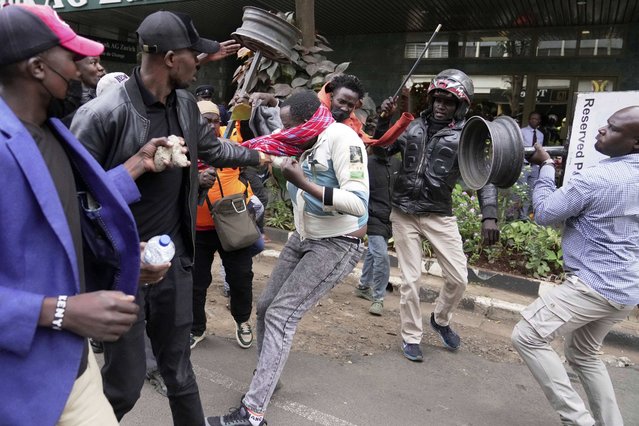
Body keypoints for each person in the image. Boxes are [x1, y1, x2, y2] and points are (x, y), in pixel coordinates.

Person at [71, 10, 270, 426]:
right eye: (192, 54)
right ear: (167, 58)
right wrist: (137, 167)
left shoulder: (183, 102)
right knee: (123, 385)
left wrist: (260, 157)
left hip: (176, 263)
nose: (199, 61)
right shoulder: (102, 114)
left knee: (180, 373)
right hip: (122, 271)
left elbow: (212, 148)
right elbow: (76, 199)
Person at [0, 4, 169, 425]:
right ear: (38, 67)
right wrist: (60, 311)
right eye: (72, 58)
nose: (84, 69)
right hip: (19, 384)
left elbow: (61, 215)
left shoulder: (51, 129)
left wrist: (121, 255)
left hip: (72, 364)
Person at [207, 90, 369, 426]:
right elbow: (270, 150)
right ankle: (269, 379)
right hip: (303, 237)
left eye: (289, 125)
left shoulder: (342, 139)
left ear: (307, 120)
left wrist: (304, 183)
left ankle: (253, 414)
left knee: (282, 314)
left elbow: (358, 204)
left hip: (336, 244)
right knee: (266, 307)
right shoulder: (299, 141)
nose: (284, 132)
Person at [512, 106, 639, 426]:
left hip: (594, 285)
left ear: (635, 143)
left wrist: (544, 168)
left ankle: (578, 421)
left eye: (612, 129)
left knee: (527, 334)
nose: (601, 131)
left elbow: (544, 213)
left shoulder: (597, 179)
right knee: (584, 355)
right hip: (626, 289)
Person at [379, 69, 499, 362]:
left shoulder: (466, 136)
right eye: (437, 99)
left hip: (439, 215)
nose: (441, 106)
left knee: (458, 278)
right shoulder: (411, 127)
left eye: (449, 101)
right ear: (430, 100)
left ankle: (441, 319)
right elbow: (381, 148)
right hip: (404, 212)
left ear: (461, 105)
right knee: (410, 280)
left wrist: (490, 215)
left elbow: (484, 177)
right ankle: (411, 335)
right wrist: (385, 119)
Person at [191, 100, 262, 350]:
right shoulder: (185, 147)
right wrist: (196, 180)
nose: (211, 125)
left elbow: (256, 137)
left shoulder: (232, 141)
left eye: (215, 120)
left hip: (233, 225)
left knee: (241, 277)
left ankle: (242, 321)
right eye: (204, 120)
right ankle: (196, 328)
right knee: (196, 283)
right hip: (197, 230)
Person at [354, 145, 401, 315]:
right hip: (372, 217)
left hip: (390, 218)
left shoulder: (397, 164)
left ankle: (363, 286)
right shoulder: (365, 162)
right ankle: (378, 298)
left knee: (374, 252)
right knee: (381, 255)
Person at [518, 111, 545, 219]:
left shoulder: (540, 135)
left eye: (537, 119)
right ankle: (512, 214)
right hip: (524, 165)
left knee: (530, 191)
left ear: (539, 121)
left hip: (535, 167)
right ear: (529, 119)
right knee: (520, 191)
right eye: (533, 118)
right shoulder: (521, 131)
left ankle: (523, 216)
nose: (535, 121)